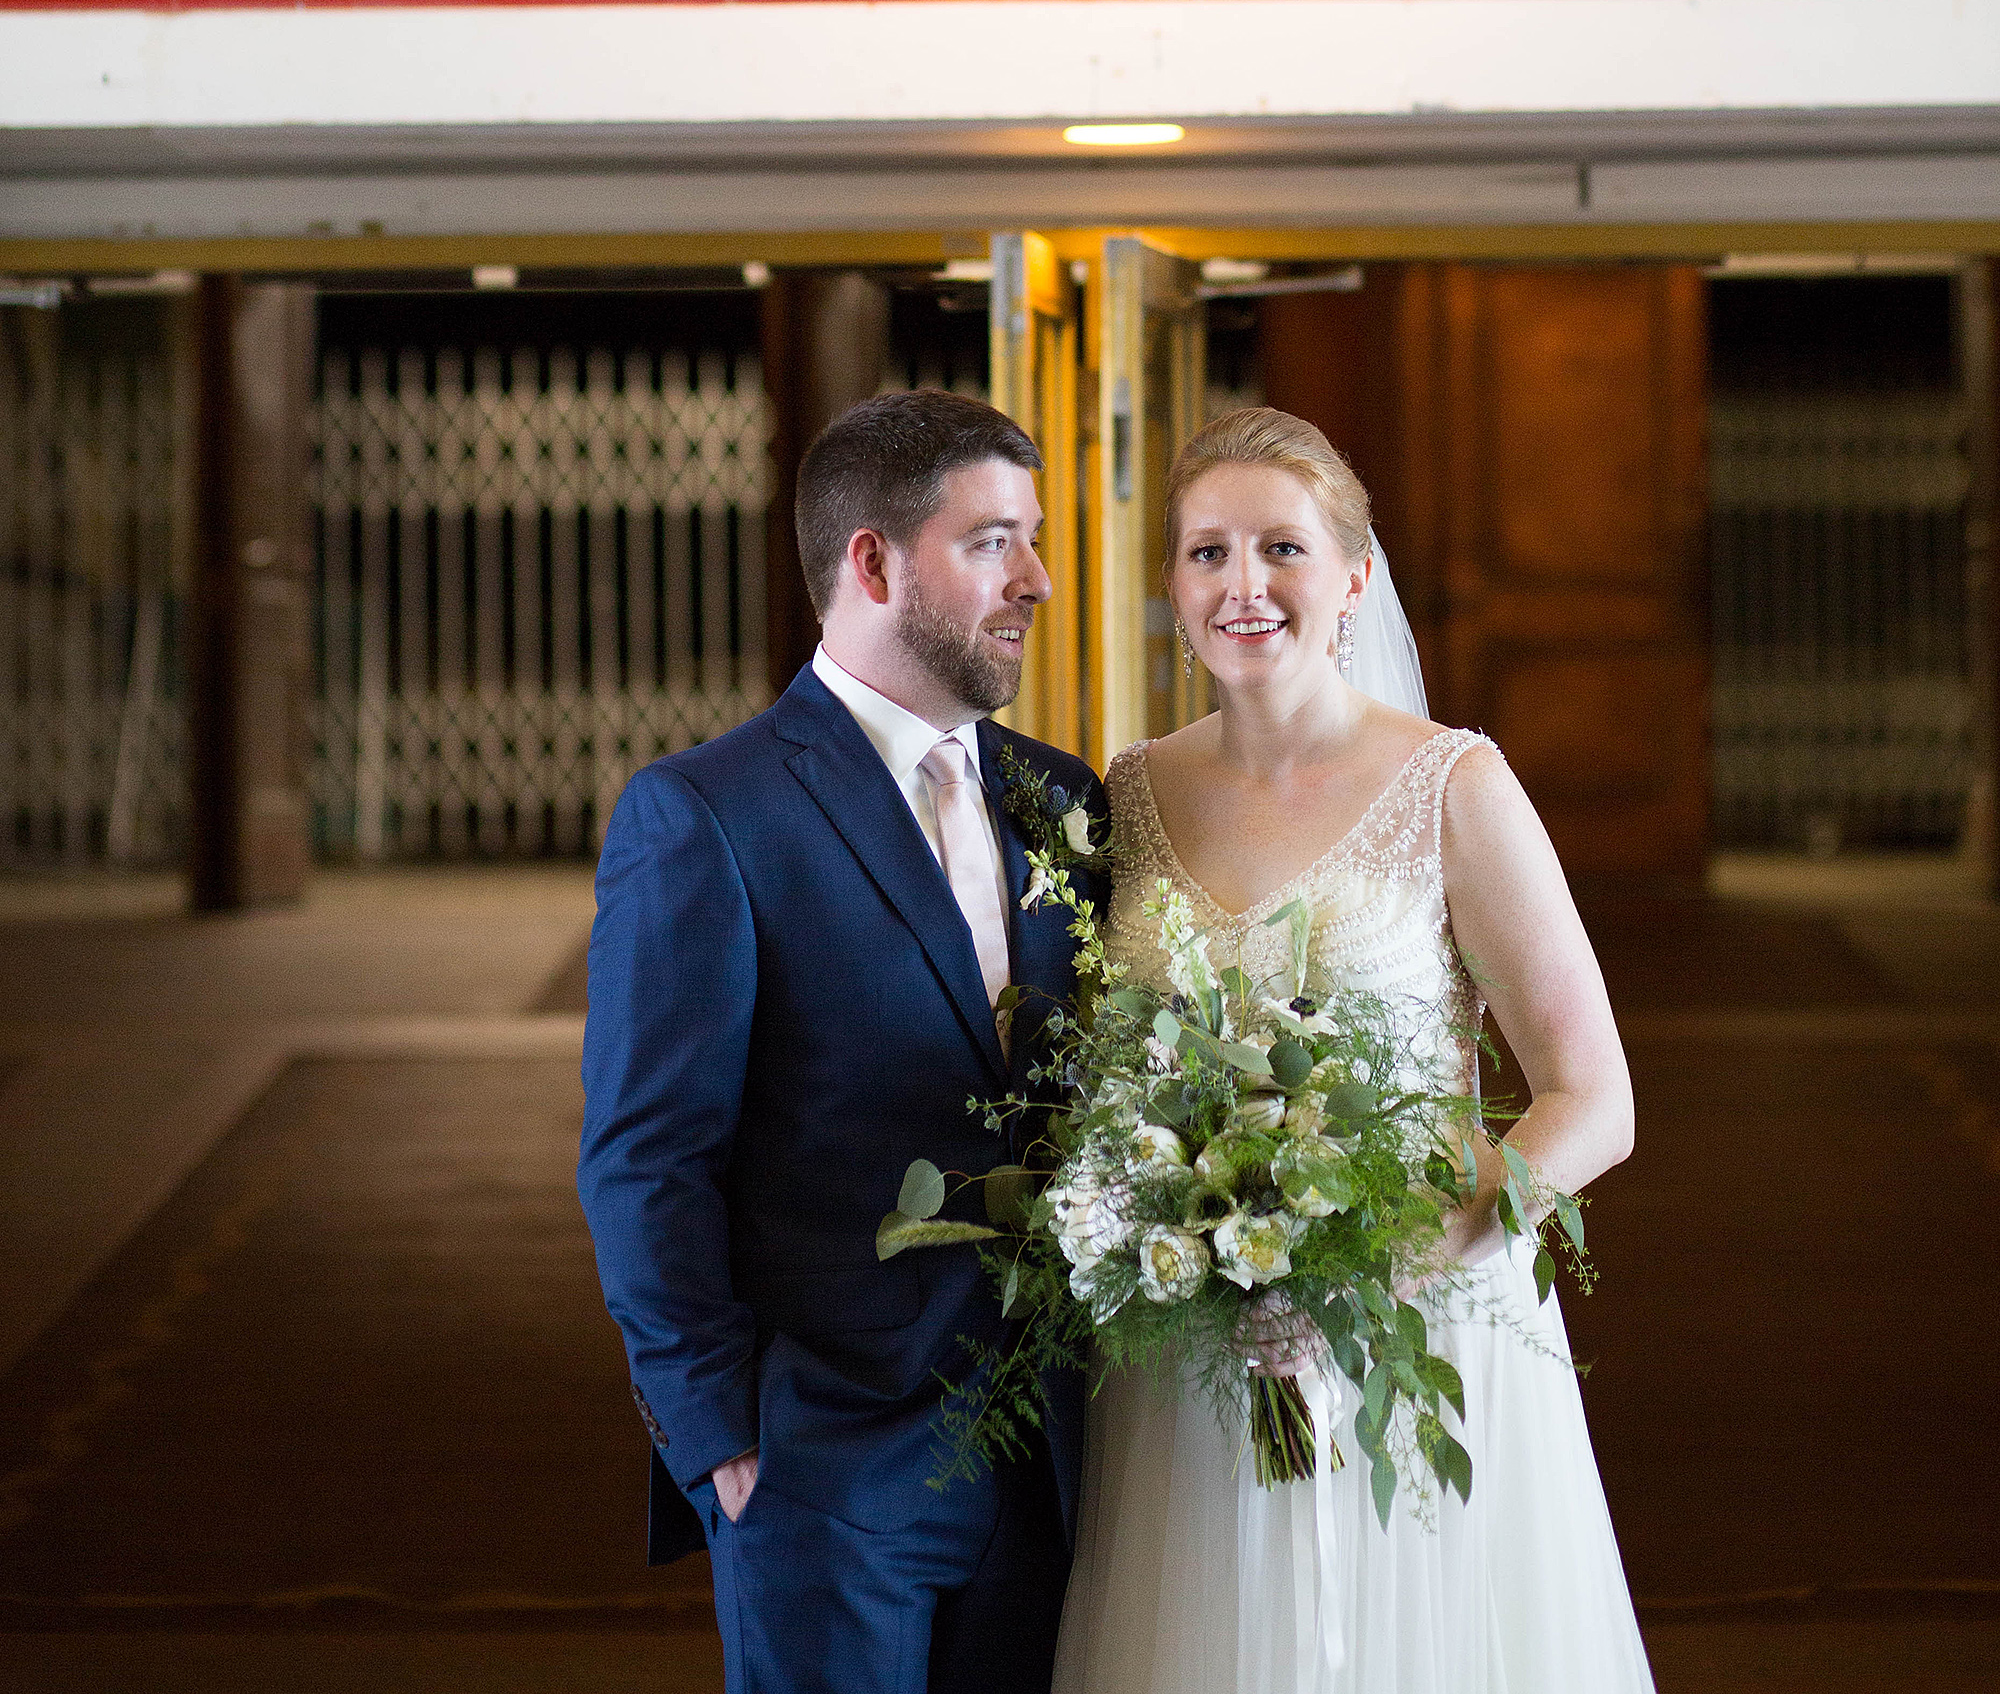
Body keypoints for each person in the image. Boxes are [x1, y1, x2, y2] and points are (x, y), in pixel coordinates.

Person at [1053, 405, 1654, 1694]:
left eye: (1282, 548)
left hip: (1417, 1326)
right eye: (1208, 552)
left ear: (1354, 580)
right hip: (1197, 1353)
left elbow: (1593, 1096)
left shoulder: (1453, 782)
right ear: (1171, 583)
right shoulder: (1128, 797)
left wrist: (1401, 1254)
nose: (1244, 584)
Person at [579, 388, 1105, 1694]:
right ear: (871, 561)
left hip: (1055, 1464)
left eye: (1031, 539)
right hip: (823, 1471)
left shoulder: (1064, 802)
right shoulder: (706, 816)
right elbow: (647, 1158)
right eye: (992, 541)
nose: (1035, 578)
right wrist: (721, 1445)